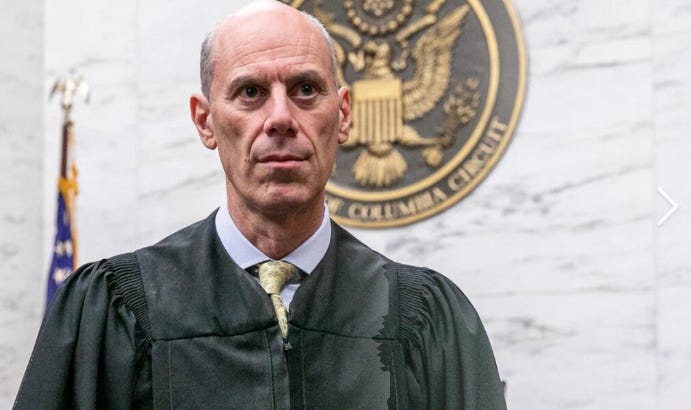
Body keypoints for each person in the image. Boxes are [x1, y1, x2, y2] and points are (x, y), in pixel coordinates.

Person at [14, 1, 507, 409]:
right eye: (250, 92)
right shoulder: (118, 310)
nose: (280, 118)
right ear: (205, 121)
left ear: (343, 115)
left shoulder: (423, 320)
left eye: (306, 90)